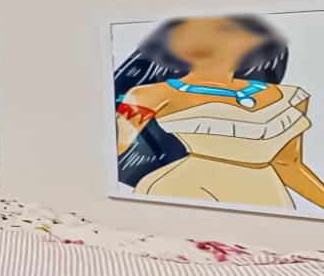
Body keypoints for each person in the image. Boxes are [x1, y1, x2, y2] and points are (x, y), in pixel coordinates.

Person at [113, 15, 321, 209]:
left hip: (268, 194)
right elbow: (115, 146)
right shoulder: (149, 95)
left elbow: (287, 164)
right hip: (185, 190)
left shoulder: (290, 96)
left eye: (224, 30)